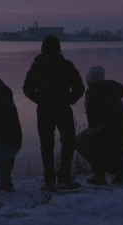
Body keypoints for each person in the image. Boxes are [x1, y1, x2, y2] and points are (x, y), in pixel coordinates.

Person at [23, 35, 85, 191]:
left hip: (44, 112)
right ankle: (64, 177)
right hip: (63, 111)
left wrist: (40, 100)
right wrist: (69, 100)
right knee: (68, 143)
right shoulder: (66, 65)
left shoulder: (37, 66)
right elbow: (79, 88)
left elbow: (27, 88)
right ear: (59, 48)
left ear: (43, 48)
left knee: (46, 146)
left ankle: (50, 181)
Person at [76, 65, 123, 185]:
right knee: (105, 143)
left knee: (80, 141)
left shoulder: (92, 93)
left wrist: (89, 132)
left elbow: (93, 123)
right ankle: (121, 171)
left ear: (88, 80)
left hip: (113, 136)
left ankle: (99, 175)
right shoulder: (110, 89)